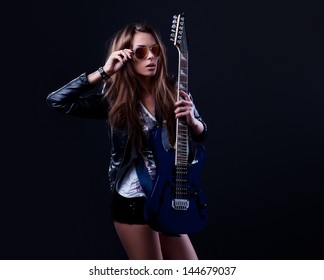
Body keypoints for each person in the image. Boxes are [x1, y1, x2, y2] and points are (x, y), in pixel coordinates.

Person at [46, 22, 207, 260]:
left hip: (169, 196)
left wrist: (193, 122)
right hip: (134, 201)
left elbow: (201, 134)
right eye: (141, 52)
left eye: (155, 50)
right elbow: (57, 101)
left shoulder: (174, 90)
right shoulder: (114, 100)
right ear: (127, 56)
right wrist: (104, 71)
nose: (151, 57)